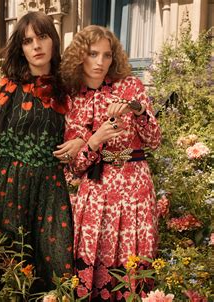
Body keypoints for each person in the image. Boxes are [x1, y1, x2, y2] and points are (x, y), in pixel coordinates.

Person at [0, 11, 77, 292]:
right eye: (27, 41)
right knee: (11, 274)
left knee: (58, 269)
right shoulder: (8, 88)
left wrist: (81, 143)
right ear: (20, 49)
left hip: (52, 191)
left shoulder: (67, 87)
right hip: (10, 190)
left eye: (42, 37)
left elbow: (85, 129)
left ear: (53, 41)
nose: (36, 46)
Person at [60, 25, 162, 300]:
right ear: (80, 56)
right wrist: (95, 140)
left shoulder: (130, 86)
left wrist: (137, 109)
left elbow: (153, 140)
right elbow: (74, 167)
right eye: (93, 54)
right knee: (93, 266)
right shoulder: (73, 99)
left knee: (134, 268)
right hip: (96, 194)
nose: (100, 62)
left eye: (106, 55)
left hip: (136, 190)